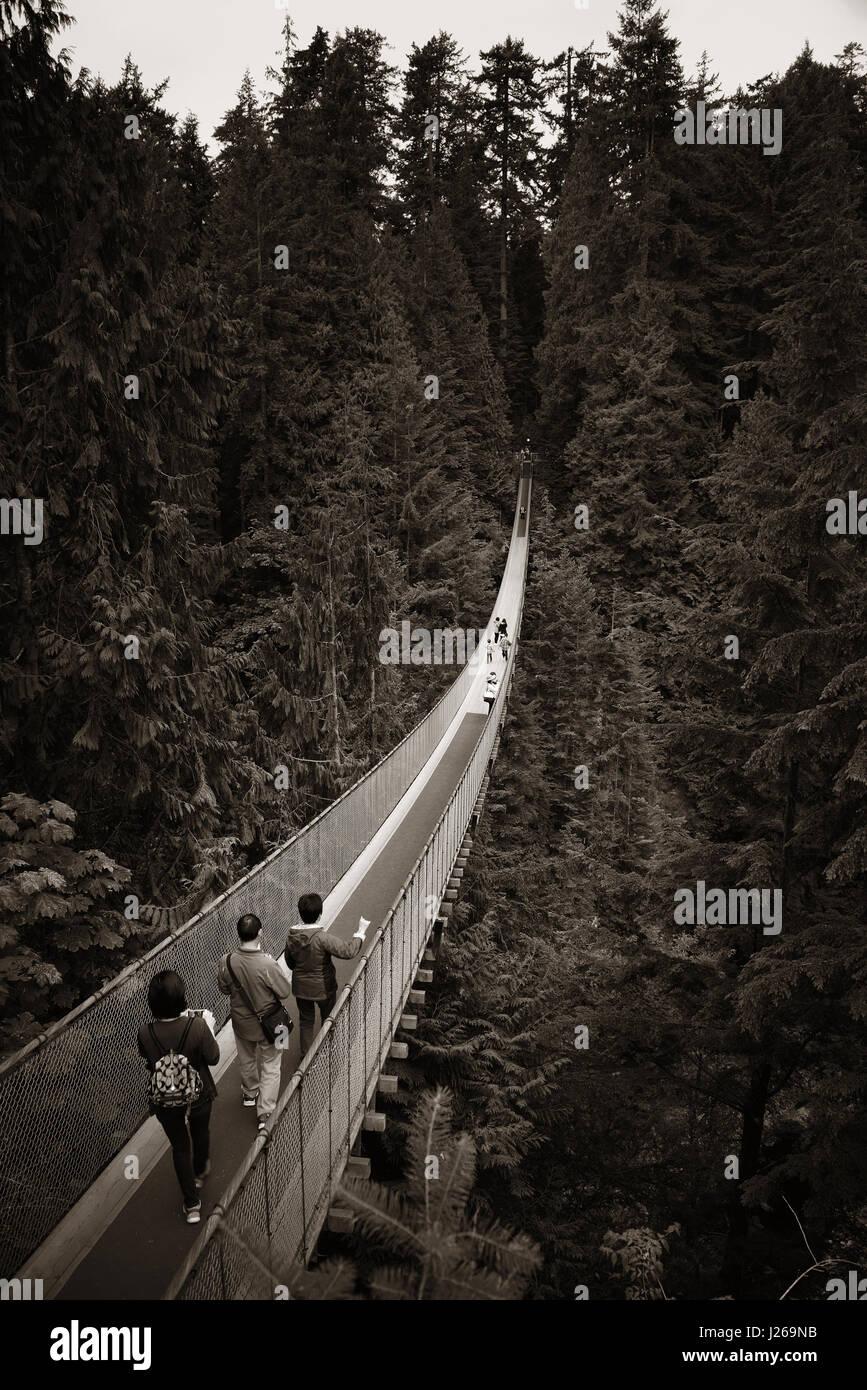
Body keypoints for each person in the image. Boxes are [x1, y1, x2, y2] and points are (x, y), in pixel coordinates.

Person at [137, 970, 219, 1224]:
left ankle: (192, 1204)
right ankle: (199, 1171)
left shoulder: (145, 1032)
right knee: (201, 1133)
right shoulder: (197, 1025)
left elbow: (148, 1059)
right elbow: (213, 1058)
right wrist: (210, 1027)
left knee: (180, 1146)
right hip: (199, 1094)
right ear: (182, 998)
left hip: (166, 1100)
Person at [218, 913, 293, 1132]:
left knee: (247, 1058)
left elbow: (223, 989)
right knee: (272, 1065)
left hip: (241, 1022)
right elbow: (285, 992)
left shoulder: (227, 960)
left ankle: (250, 1093)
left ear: (239, 934)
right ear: (260, 932)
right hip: (274, 1024)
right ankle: (265, 1112)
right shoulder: (266, 963)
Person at [284, 893, 369, 1054]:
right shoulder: (322, 938)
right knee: (328, 1018)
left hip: (301, 989)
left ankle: (306, 1059)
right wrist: (360, 932)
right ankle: (328, 1050)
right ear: (320, 915)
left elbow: (290, 962)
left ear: (300, 914)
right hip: (324, 988)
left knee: (306, 1021)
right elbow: (347, 951)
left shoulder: (291, 937)